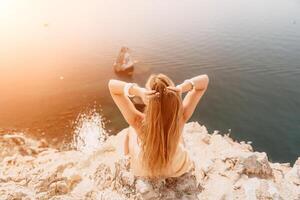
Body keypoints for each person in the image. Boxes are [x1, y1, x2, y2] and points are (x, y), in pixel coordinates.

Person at [108, 73, 209, 178]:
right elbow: (204, 81)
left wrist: (139, 91)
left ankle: (127, 158)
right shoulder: (180, 117)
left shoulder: (138, 121)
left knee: (130, 129)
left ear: (148, 99)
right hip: (177, 167)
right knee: (179, 137)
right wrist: (181, 88)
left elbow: (112, 87)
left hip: (146, 170)